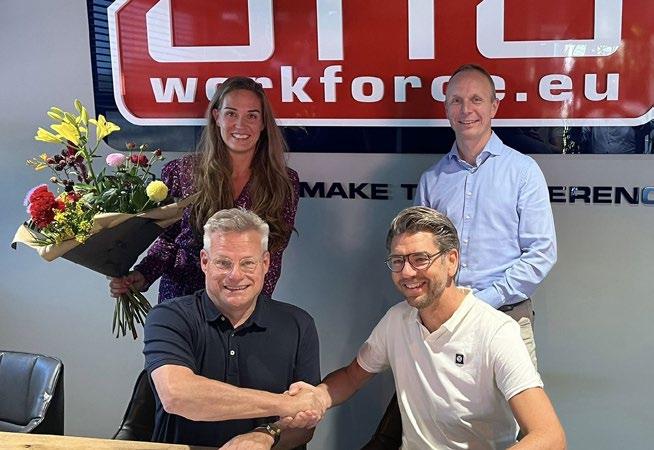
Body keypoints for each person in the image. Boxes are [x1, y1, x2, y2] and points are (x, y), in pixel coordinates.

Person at [290, 206, 566, 449]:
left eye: (420, 259)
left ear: (452, 261)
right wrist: (319, 397)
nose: (407, 272)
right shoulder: (396, 319)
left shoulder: (495, 331)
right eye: (398, 261)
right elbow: (352, 377)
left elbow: (550, 436)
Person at [144, 208, 322, 449]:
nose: (235, 275)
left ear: (265, 263)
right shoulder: (169, 317)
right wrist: (286, 404)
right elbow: (177, 395)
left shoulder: (299, 324)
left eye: (248, 263)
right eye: (223, 263)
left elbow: (305, 425)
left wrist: (266, 434)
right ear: (205, 262)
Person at [110, 76, 300, 303]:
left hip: (241, 302)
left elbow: (272, 255)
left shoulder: (283, 182)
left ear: (262, 123)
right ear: (217, 116)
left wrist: (252, 307)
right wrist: (142, 275)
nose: (240, 125)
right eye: (231, 114)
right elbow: (169, 240)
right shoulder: (181, 172)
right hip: (181, 299)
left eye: (252, 115)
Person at [415, 63, 557, 365]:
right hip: (445, 321)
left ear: (494, 107)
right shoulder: (432, 180)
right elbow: (420, 254)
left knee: (518, 400)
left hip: (507, 319)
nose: (466, 110)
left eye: (476, 99)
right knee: (445, 399)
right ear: (446, 109)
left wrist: (484, 300)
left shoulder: (523, 172)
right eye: (456, 100)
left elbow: (542, 252)